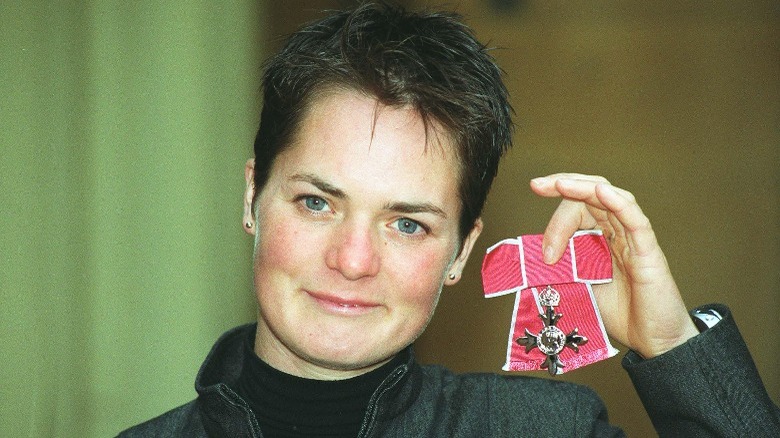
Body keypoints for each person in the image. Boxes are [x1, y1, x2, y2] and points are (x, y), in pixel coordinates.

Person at [119, 2, 779, 437]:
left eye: (408, 223)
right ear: (251, 198)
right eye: (317, 202)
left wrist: (672, 345)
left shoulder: (543, 430)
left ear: (463, 252)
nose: (352, 260)